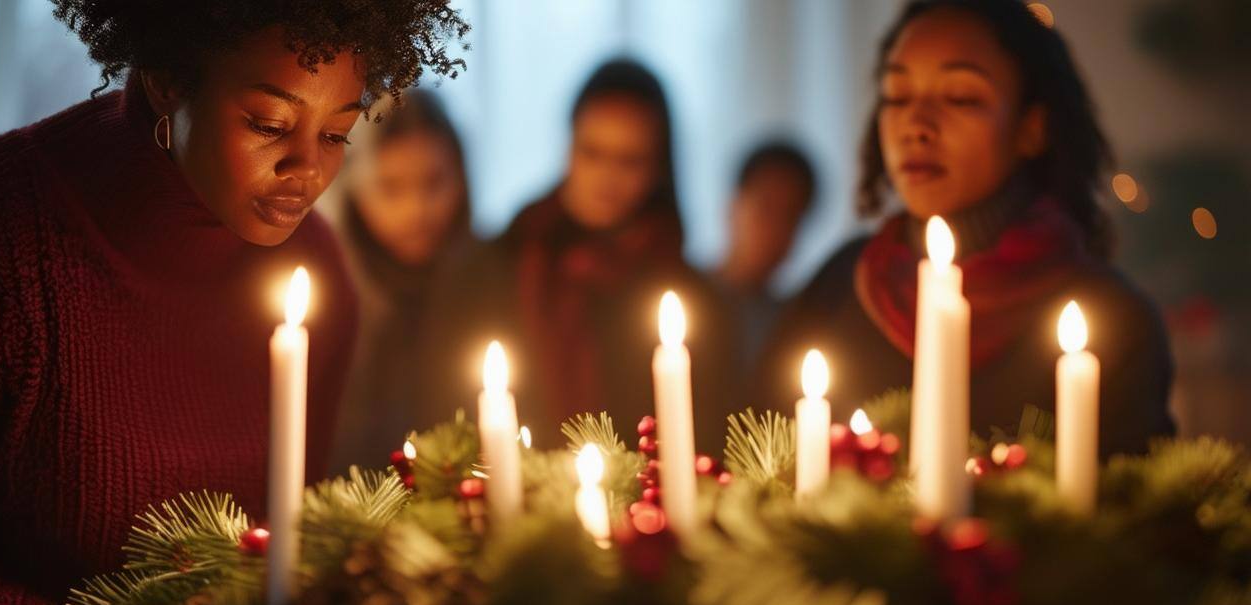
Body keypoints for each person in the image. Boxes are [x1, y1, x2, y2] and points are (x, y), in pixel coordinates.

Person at [0, 0, 467, 605]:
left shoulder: (315, 278)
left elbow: (284, 547)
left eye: (337, 133)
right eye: (269, 124)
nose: (307, 169)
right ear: (169, 77)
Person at [757, 0, 1174, 457]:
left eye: (960, 97)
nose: (915, 125)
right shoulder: (840, 286)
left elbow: (1142, 512)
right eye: (897, 96)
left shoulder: (1112, 319)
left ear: (1031, 129)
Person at [440, 58, 732, 452]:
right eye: (592, 152)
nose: (607, 176)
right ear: (569, 146)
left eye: (629, 160)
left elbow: (704, 435)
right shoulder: (499, 264)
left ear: (658, 167)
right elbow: (449, 410)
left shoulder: (686, 293)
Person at [320, 90, 477, 472]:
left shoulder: (486, 278)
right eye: (391, 187)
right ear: (352, 184)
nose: (417, 209)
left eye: (435, 181)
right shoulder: (326, 292)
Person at [713, 140, 816, 371]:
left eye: (789, 216)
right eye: (766, 207)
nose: (775, 228)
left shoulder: (792, 324)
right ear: (733, 207)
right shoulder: (684, 292)